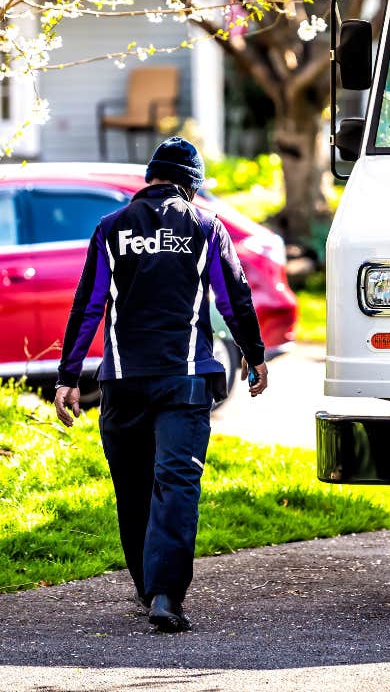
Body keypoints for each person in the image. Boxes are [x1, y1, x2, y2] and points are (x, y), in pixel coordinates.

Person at [53, 137, 269, 633]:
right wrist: (254, 356)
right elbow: (234, 298)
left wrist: (68, 377)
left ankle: (147, 587)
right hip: (184, 378)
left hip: (123, 382)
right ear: (191, 185)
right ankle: (165, 595)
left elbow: (88, 306)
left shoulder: (111, 228)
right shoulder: (205, 227)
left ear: (149, 178)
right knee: (175, 484)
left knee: (132, 487)